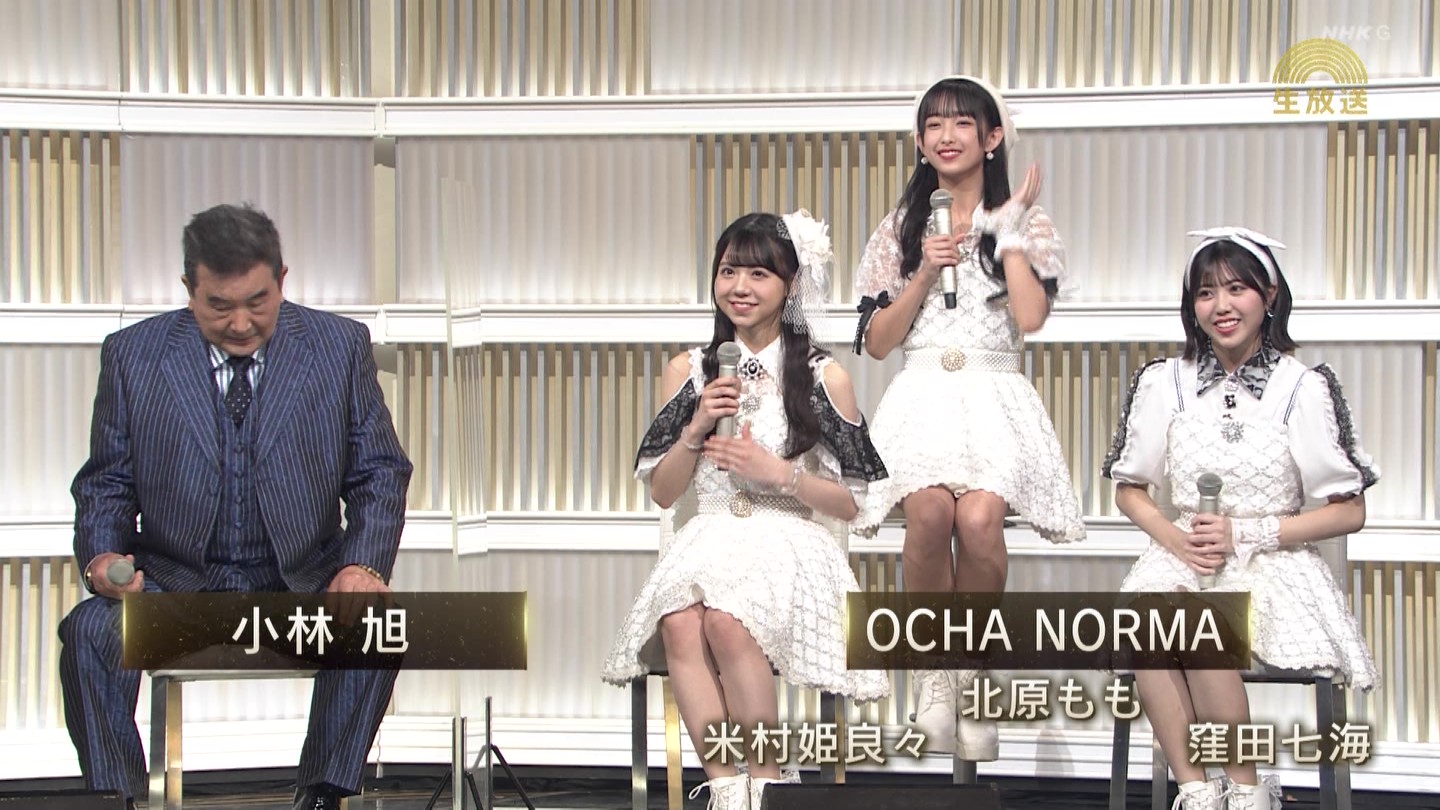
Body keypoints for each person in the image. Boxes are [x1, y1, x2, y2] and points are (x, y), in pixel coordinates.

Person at [59, 203, 414, 810]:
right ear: (189, 289)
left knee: (378, 628)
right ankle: (118, 800)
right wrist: (100, 559)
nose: (242, 323)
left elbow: (380, 470)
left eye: (258, 301)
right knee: (89, 630)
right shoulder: (133, 355)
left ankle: (320, 796)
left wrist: (362, 566)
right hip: (174, 587)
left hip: (298, 585)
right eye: (219, 306)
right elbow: (106, 483)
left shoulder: (339, 347)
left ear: (282, 278)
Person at [603, 210, 890, 810]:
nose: (740, 287)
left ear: (790, 285)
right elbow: (662, 492)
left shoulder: (823, 375)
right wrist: (695, 428)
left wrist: (780, 474)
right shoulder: (689, 370)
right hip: (710, 535)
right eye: (729, 271)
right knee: (680, 620)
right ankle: (728, 790)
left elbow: (854, 502)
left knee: (727, 621)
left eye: (759, 274)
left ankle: (767, 782)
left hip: (789, 540)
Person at [1102, 227, 1379, 810]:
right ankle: (1197, 792)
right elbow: (1130, 490)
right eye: (1206, 293)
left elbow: (1349, 511)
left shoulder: (1301, 387)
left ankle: (1247, 792)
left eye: (1236, 289)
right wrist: (1176, 540)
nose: (1221, 306)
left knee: (1197, 621)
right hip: (1184, 554)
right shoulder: (1165, 381)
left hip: (1273, 559)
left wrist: (1246, 534)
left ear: (1269, 296)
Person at [851, 75, 1085, 758]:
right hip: (923, 394)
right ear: (920, 141)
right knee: (927, 515)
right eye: (934, 125)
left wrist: (1006, 231)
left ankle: (972, 674)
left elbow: (1031, 317)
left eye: (961, 123)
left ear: (992, 137)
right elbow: (878, 343)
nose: (946, 136)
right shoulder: (899, 229)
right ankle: (936, 678)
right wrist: (924, 272)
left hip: (992, 396)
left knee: (980, 520)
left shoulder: (1028, 222)